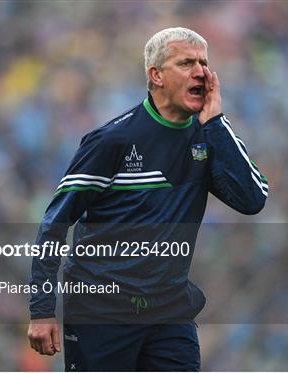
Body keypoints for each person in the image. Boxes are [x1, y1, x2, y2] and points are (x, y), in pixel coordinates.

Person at [27, 27, 268, 371]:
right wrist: (41, 309)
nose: (200, 71)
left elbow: (253, 199)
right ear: (156, 75)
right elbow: (55, 224)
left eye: (204, 63)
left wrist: (216, 121)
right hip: (102, 312)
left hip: (170, 312)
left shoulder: (209, 136)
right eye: (186, 63)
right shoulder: (112, 140)